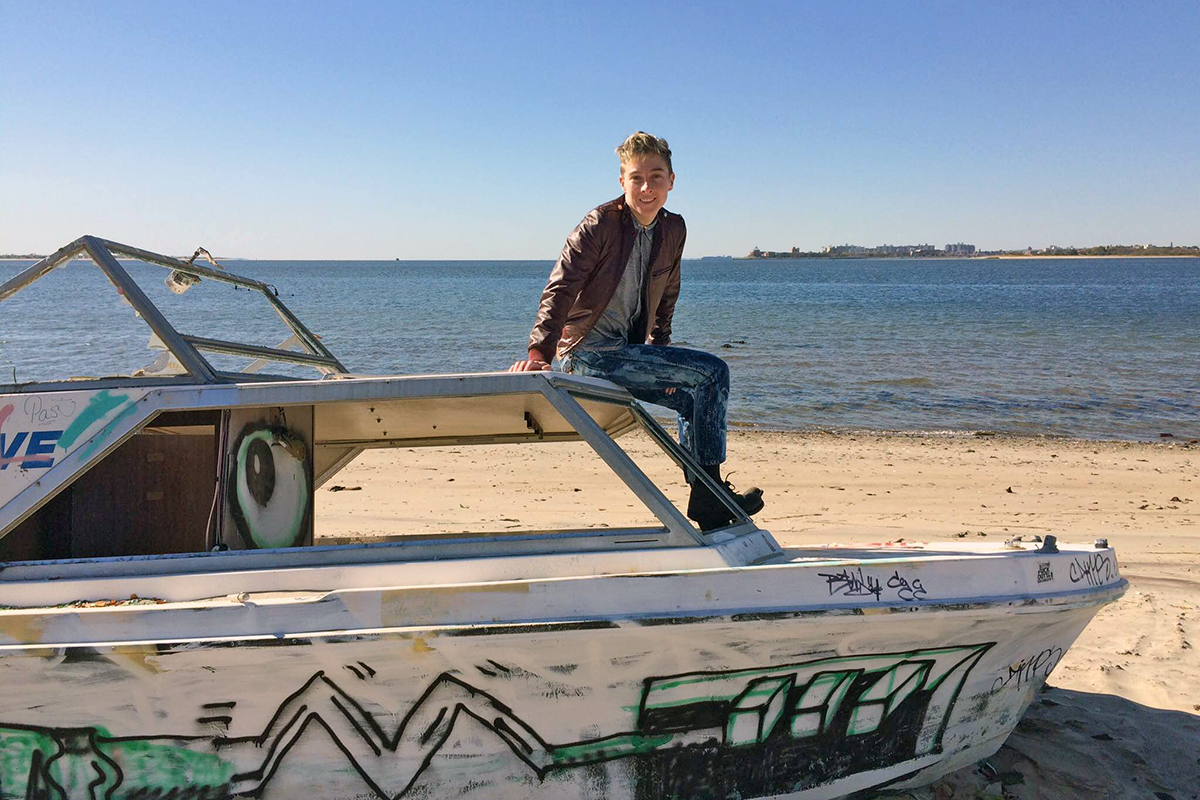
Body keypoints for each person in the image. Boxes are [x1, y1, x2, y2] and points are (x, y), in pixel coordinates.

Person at [509, 132, 764, 531]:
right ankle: (711, 495)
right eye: (636, 178)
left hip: (627, 354)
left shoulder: (673, 229)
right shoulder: (599, 225)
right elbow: (560, 288)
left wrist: (661, 359)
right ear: (622, 182)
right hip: (587, 355)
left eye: (656, 177)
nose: (647, 188)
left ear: (672, 181)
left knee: (691, 395)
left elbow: (667, 296)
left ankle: (707, 498)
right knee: (714, 373)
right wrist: (540, 354)